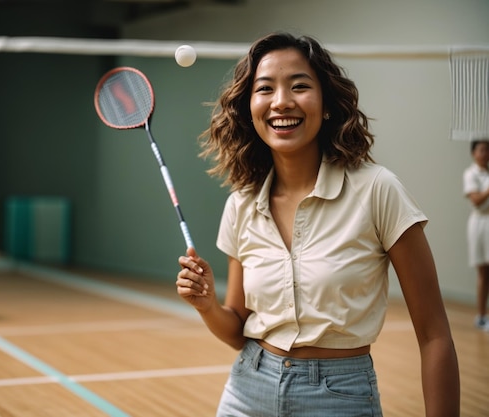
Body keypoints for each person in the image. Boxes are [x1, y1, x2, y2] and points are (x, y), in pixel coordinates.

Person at [176, 32, 460, 417]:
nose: (281, 102)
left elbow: (434, 335)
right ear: (250, 108)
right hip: (247, 391)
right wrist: (208, 306)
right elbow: (237, 329)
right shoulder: (241, 204)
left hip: (340, 397)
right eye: (265, 89)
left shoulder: (378, 190)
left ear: (326, 103)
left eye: (299, 86)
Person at [463, 138, 489, 331]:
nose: (484, 154)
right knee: (483, 271)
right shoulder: (470, 174)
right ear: (474, 153)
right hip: (480, 223)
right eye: (481, 150)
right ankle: (481, 316)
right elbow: (477, 199)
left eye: (487, 150)